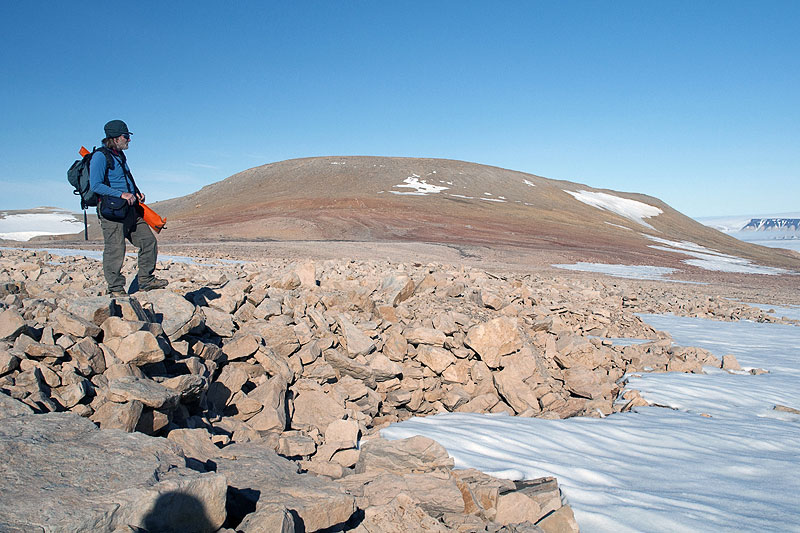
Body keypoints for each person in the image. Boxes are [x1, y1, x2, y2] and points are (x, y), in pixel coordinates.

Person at [89, 119, 168, 296]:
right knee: (115, 248)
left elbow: (126, 179)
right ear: (116, 138)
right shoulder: (101, 156)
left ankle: (146, 280)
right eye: (126, 136)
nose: (129, 140)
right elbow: (95, 185)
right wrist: (121, 194)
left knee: (148, 241)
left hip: (131, 210)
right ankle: (115, 288)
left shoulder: (119, 155)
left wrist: (136, 192)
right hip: (112, 211)